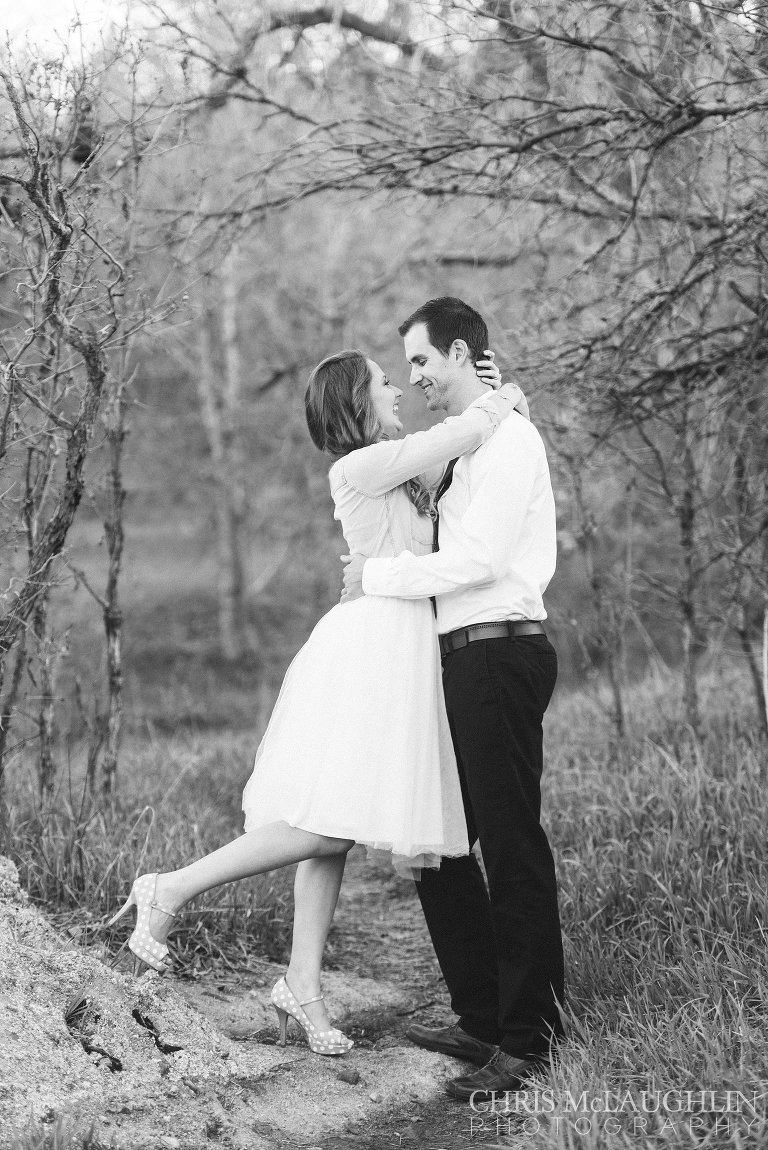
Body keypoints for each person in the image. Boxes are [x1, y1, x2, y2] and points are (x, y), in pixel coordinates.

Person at [107, 345, 527, 1059]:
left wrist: (486, 395)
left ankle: (301, 984)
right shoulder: (358, 465)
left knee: (333, 823)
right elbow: (459, 436)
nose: (397, 388)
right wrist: (503, 395)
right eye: (382, 383)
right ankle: (170, 888)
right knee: (329, 825)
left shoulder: (393, 462)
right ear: (356, 401)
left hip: (399, 643)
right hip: (372, 647)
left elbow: (457, 467)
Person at [341, 297, 563, 1103]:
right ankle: (484, 1018)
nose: (416, 380)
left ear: (460, 352)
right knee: (437, 844)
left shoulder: (510, 444)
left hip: (500, 654)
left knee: (508, 844)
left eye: (423, 363)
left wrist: (376, 576)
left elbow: (476, 561)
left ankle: (533, 1040)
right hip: (460, 662)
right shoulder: (466, 449)